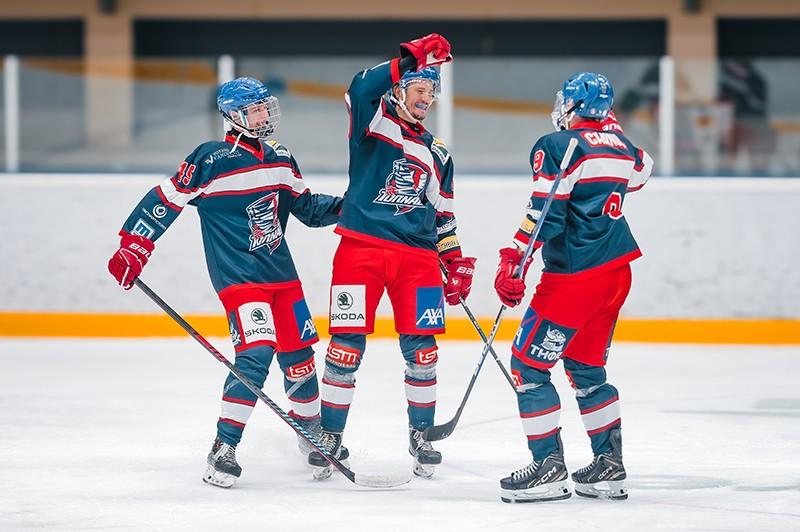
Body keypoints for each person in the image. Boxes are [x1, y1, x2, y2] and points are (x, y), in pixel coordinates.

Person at [107, 77, 343, 488]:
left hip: (283, 277)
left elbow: (307, 208)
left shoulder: (281, 157)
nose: (264, 115)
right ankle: (223, 447)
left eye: (266, 107)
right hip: (239, 279)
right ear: (233, 115)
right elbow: (166, 198)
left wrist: (353, 207)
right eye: (255, 109)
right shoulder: (211, 158)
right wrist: (135, 244)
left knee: (300, 357)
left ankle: (310, 432)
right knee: (255, 354)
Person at [306, 33, 476, 480]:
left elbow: (443, 218)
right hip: (360, 251)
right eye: (419, 88)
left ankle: (422, 435)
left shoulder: (439, 153)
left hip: (418, 262)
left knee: (424, 352)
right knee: (345, 347)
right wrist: (410, 58)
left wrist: (455, 261)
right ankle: (329, 435)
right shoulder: (373, 121)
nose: (426, 98)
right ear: (399, 89)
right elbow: (360, 86)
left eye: (431, 91)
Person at [493, 72, 653, 503]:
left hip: (575, 278)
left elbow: (545, 213)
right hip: (616, 274)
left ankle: (547, 467)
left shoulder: (557, 145)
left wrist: (515, 260)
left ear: (574, 105)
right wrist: (610, 130)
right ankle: (609, 465)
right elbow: (643, 172)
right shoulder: (624, 148)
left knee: (527, 366)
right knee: (586, 370)